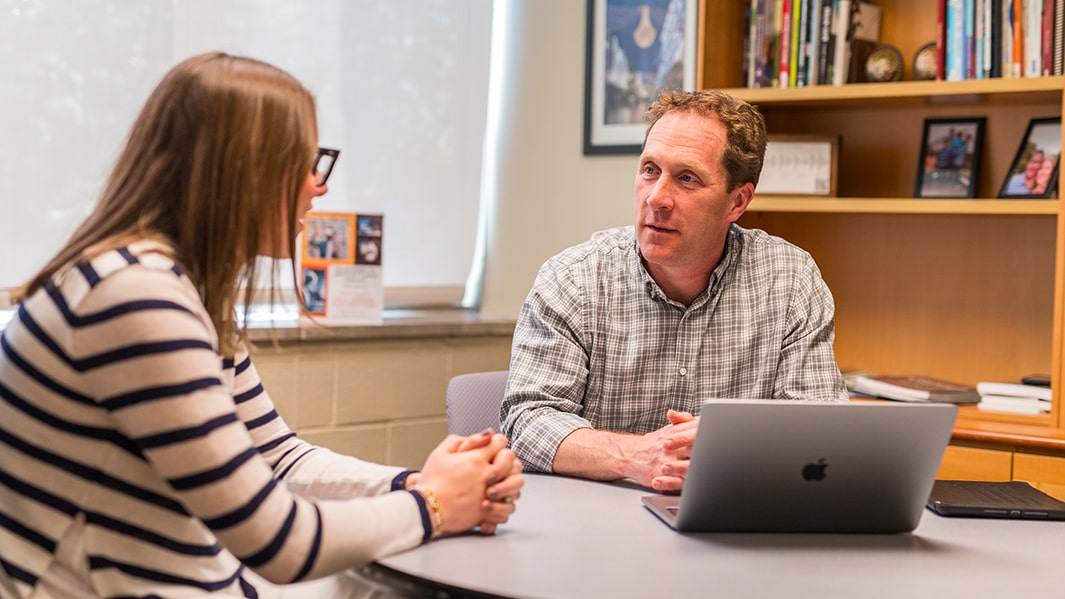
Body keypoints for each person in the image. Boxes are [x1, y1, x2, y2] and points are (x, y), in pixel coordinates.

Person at [0, 52, 523, 598]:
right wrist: (435, 506)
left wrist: (415, 484)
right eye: (305, 162)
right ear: (243, 171)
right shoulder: (135, 298)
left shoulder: (182, 288)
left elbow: (277, 457)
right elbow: (278, 541)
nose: (318, 187)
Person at [500, 89, 847, 494]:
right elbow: (528, 421)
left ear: (737, 201)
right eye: (650, 170)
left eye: (687, 178)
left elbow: (822, 428)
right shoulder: (573, 279)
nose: (657, 198)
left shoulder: (791, 281)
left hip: (734, 522)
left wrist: (732, 444)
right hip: (597, 527)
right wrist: (638, 456)